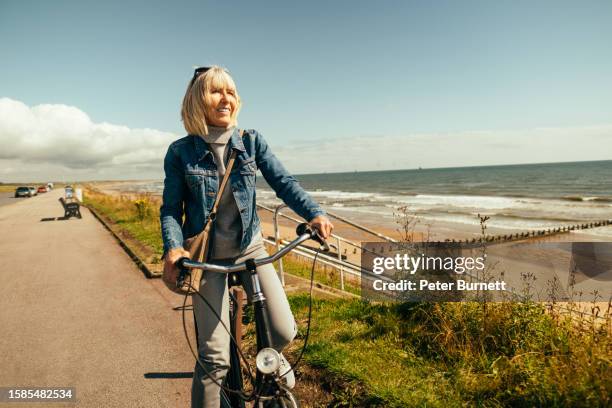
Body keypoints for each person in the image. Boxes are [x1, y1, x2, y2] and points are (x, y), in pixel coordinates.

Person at [160, 66, 333, 408]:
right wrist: (174, 248)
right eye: (216, 92)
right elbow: (170, 209)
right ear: (198, 100)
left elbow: (284, 182)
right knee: (215, 360)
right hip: (207, 260)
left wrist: (313, 213)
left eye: (231, 92)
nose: (226, 99)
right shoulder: (180, 153)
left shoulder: (252, 142)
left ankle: (270, 367)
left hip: (251, 251)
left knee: (283, 332)